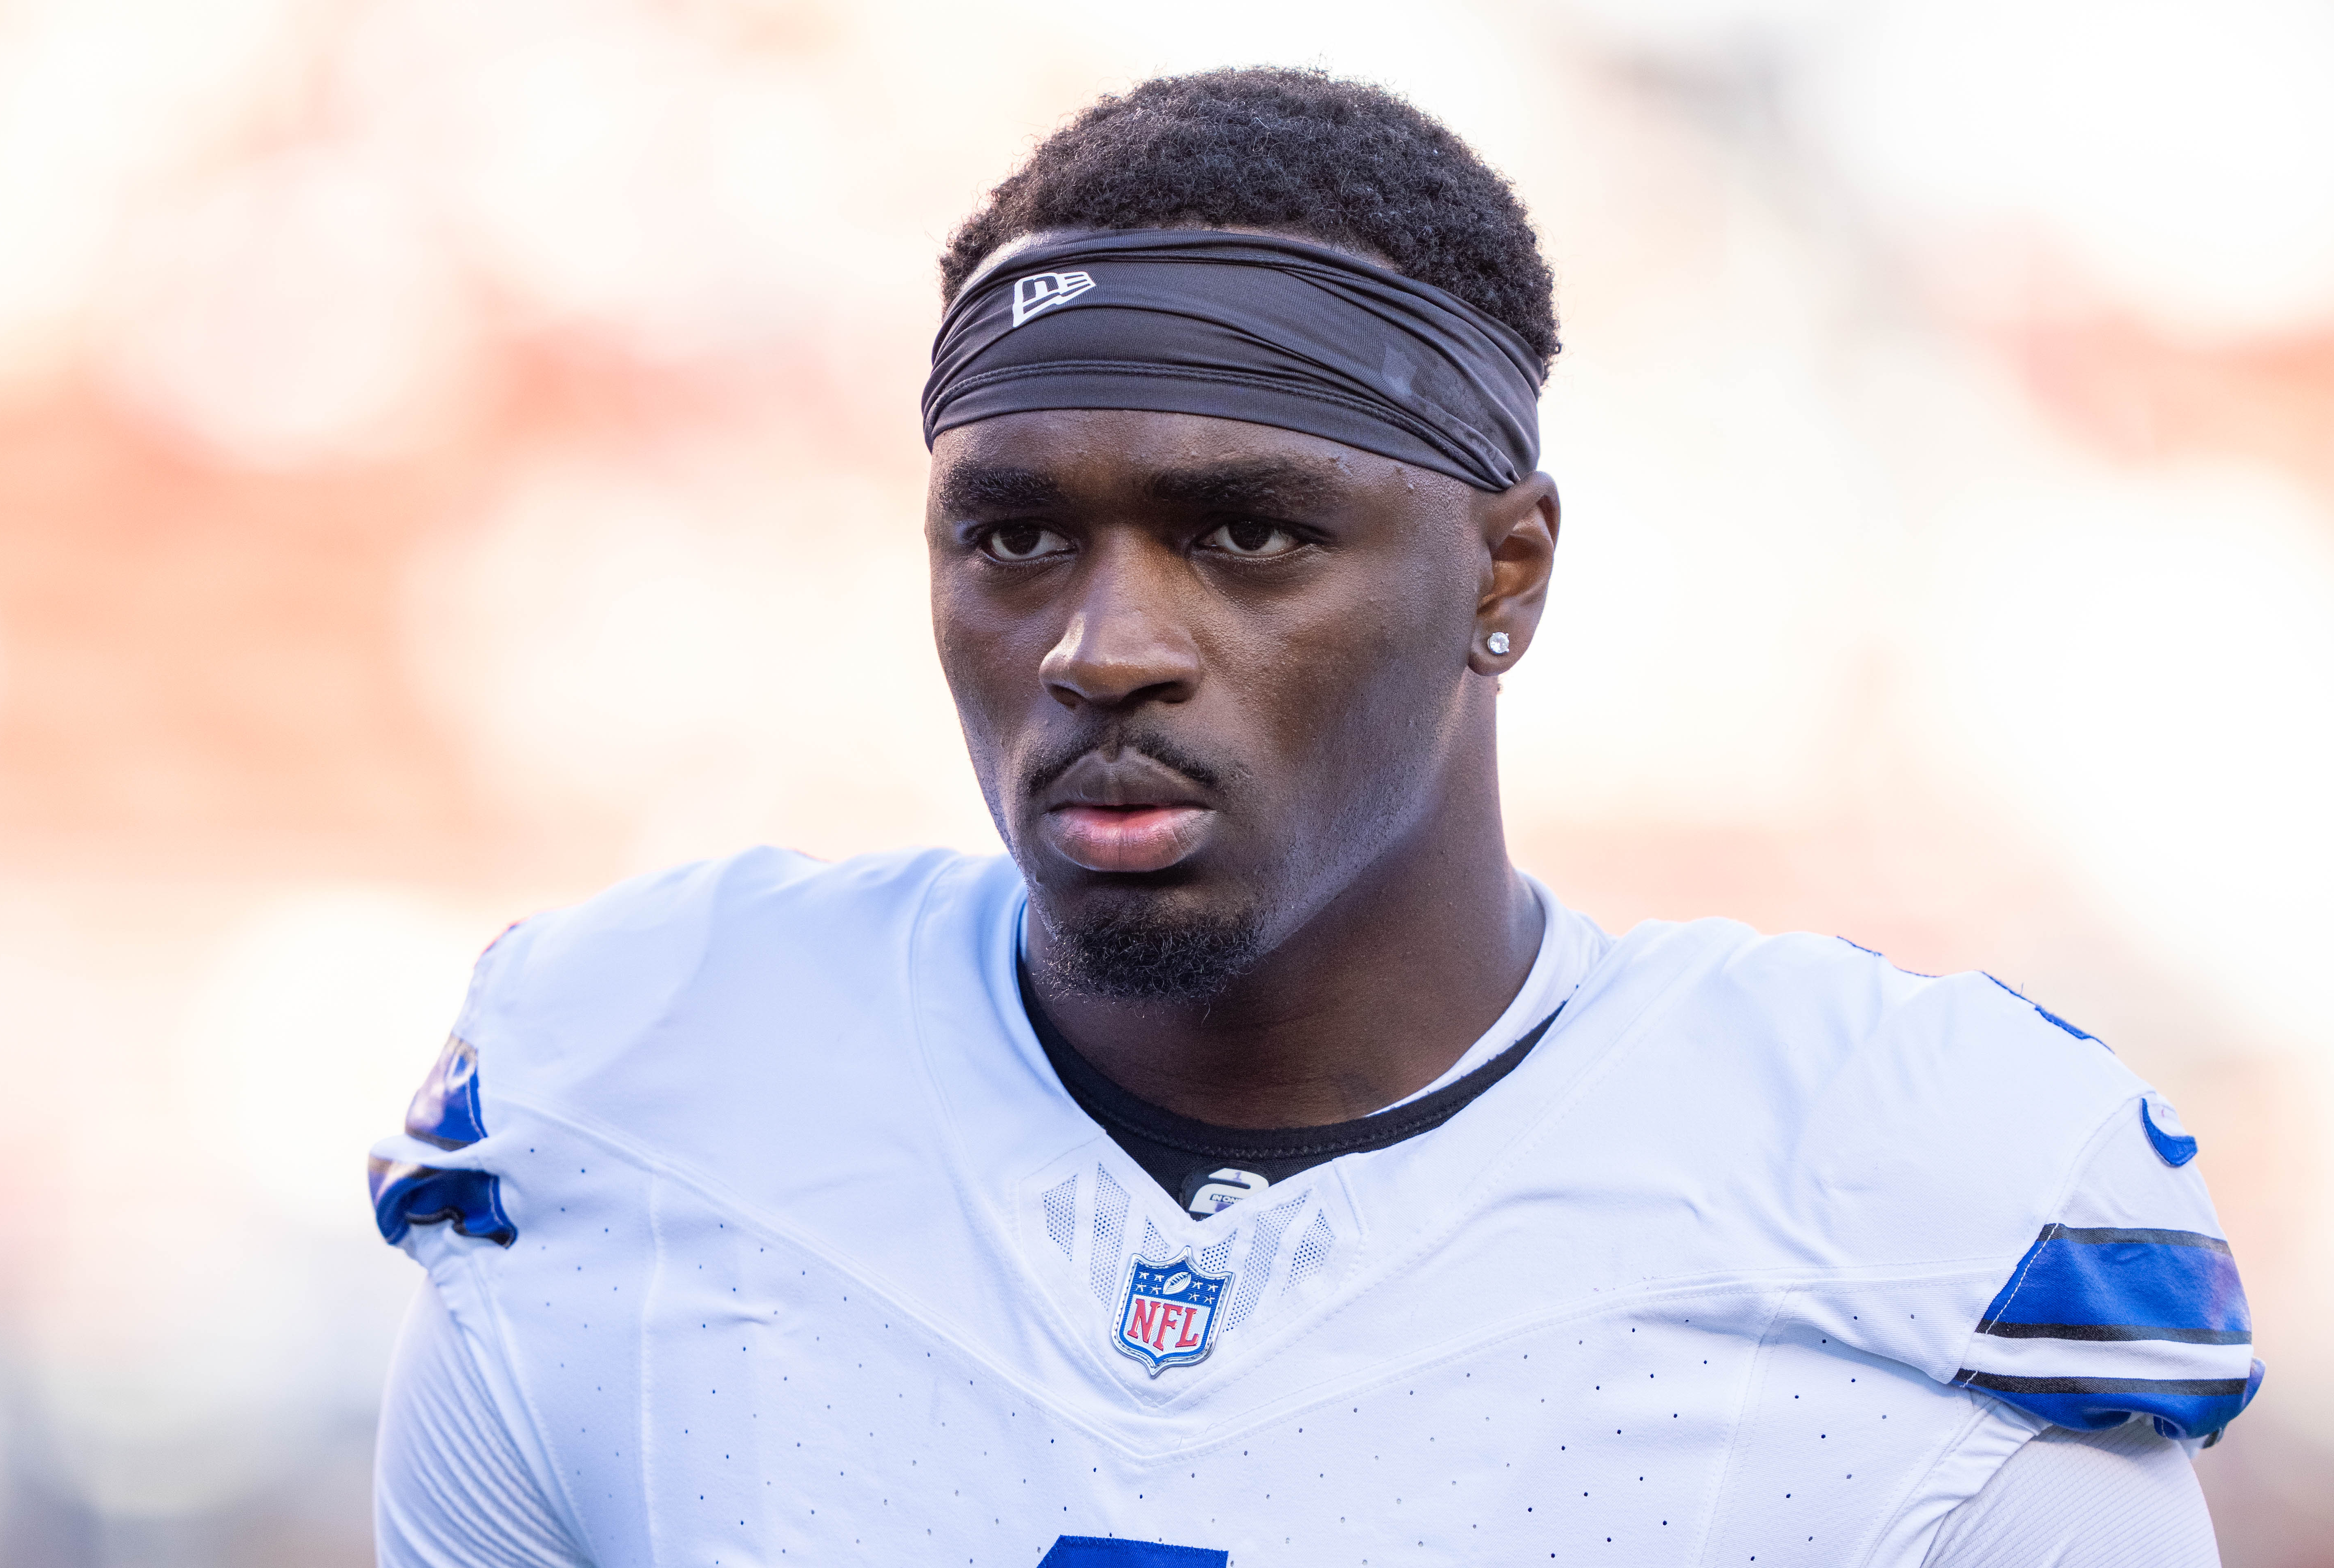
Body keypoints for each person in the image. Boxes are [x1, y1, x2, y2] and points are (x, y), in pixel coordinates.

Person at [368, 68, 2255, 1567]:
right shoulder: (627, 1096)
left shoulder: (1901, 1208)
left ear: (1503, 576)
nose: (1104, 649)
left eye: (1244, 534)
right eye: (1016, 536)